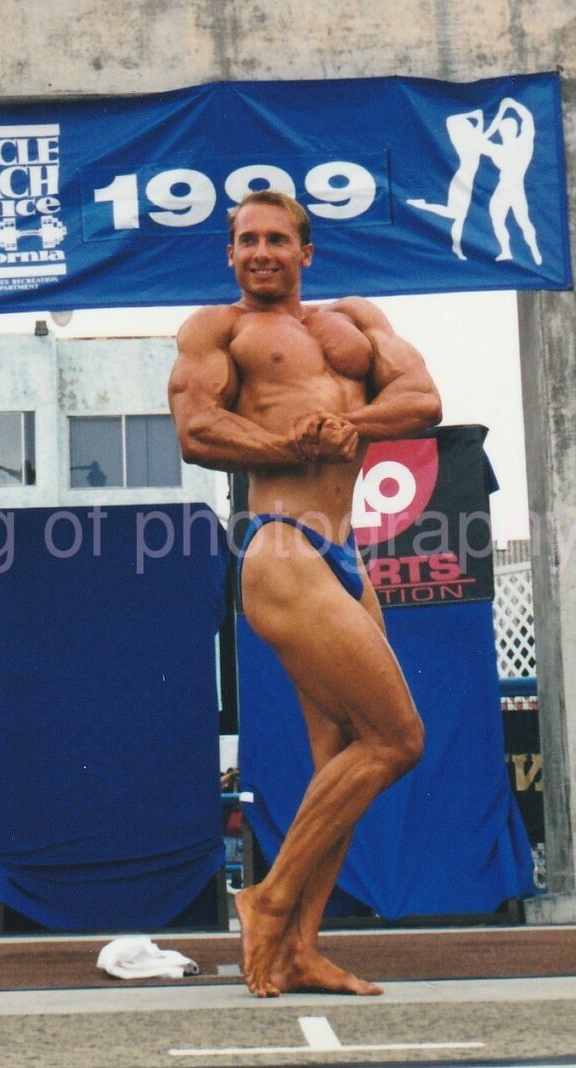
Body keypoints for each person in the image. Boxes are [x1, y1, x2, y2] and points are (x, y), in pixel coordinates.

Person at [169, 189, 441, 997]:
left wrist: (354, 429)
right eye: (246, 240)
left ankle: (299, 949)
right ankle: (270, 898)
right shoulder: (217, 330)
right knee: (397, 740)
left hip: (345, 555)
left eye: (276, 239)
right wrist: (287, 442)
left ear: (305, 251)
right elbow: (196, 429)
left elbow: (423, 402)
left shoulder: (356, 320)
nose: (261, 252)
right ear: (230, 253)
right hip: (281, 546)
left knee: (339, 759)